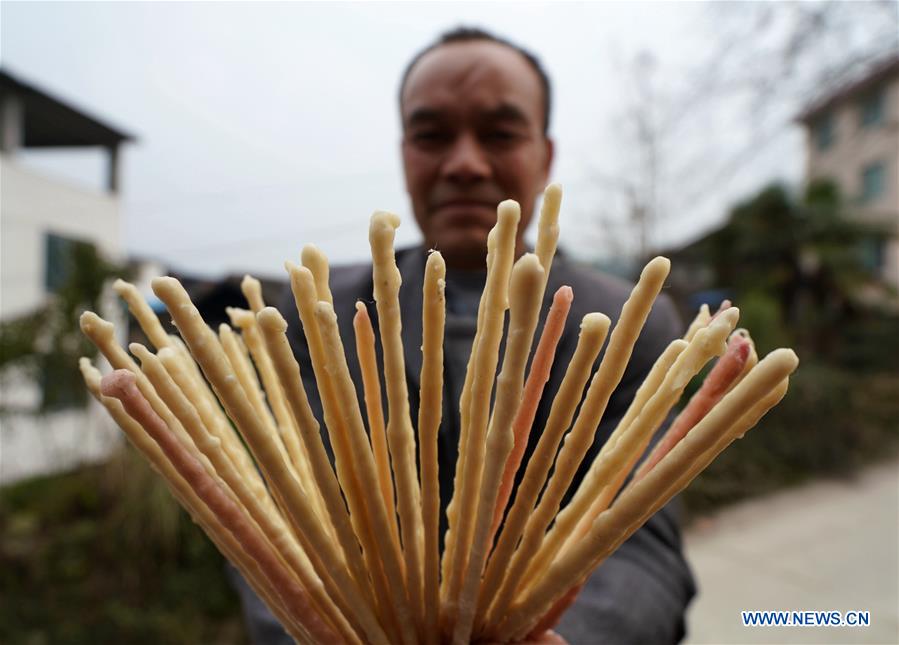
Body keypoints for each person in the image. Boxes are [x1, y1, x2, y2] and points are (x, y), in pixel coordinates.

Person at [232, 26, 696, 644]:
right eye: (432, 135)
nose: (465, 164)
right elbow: (277, 525)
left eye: (500, 134)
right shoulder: (316, 314)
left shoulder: (627, 323)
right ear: (405, 153)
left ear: (545, 156)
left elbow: (638, 539)